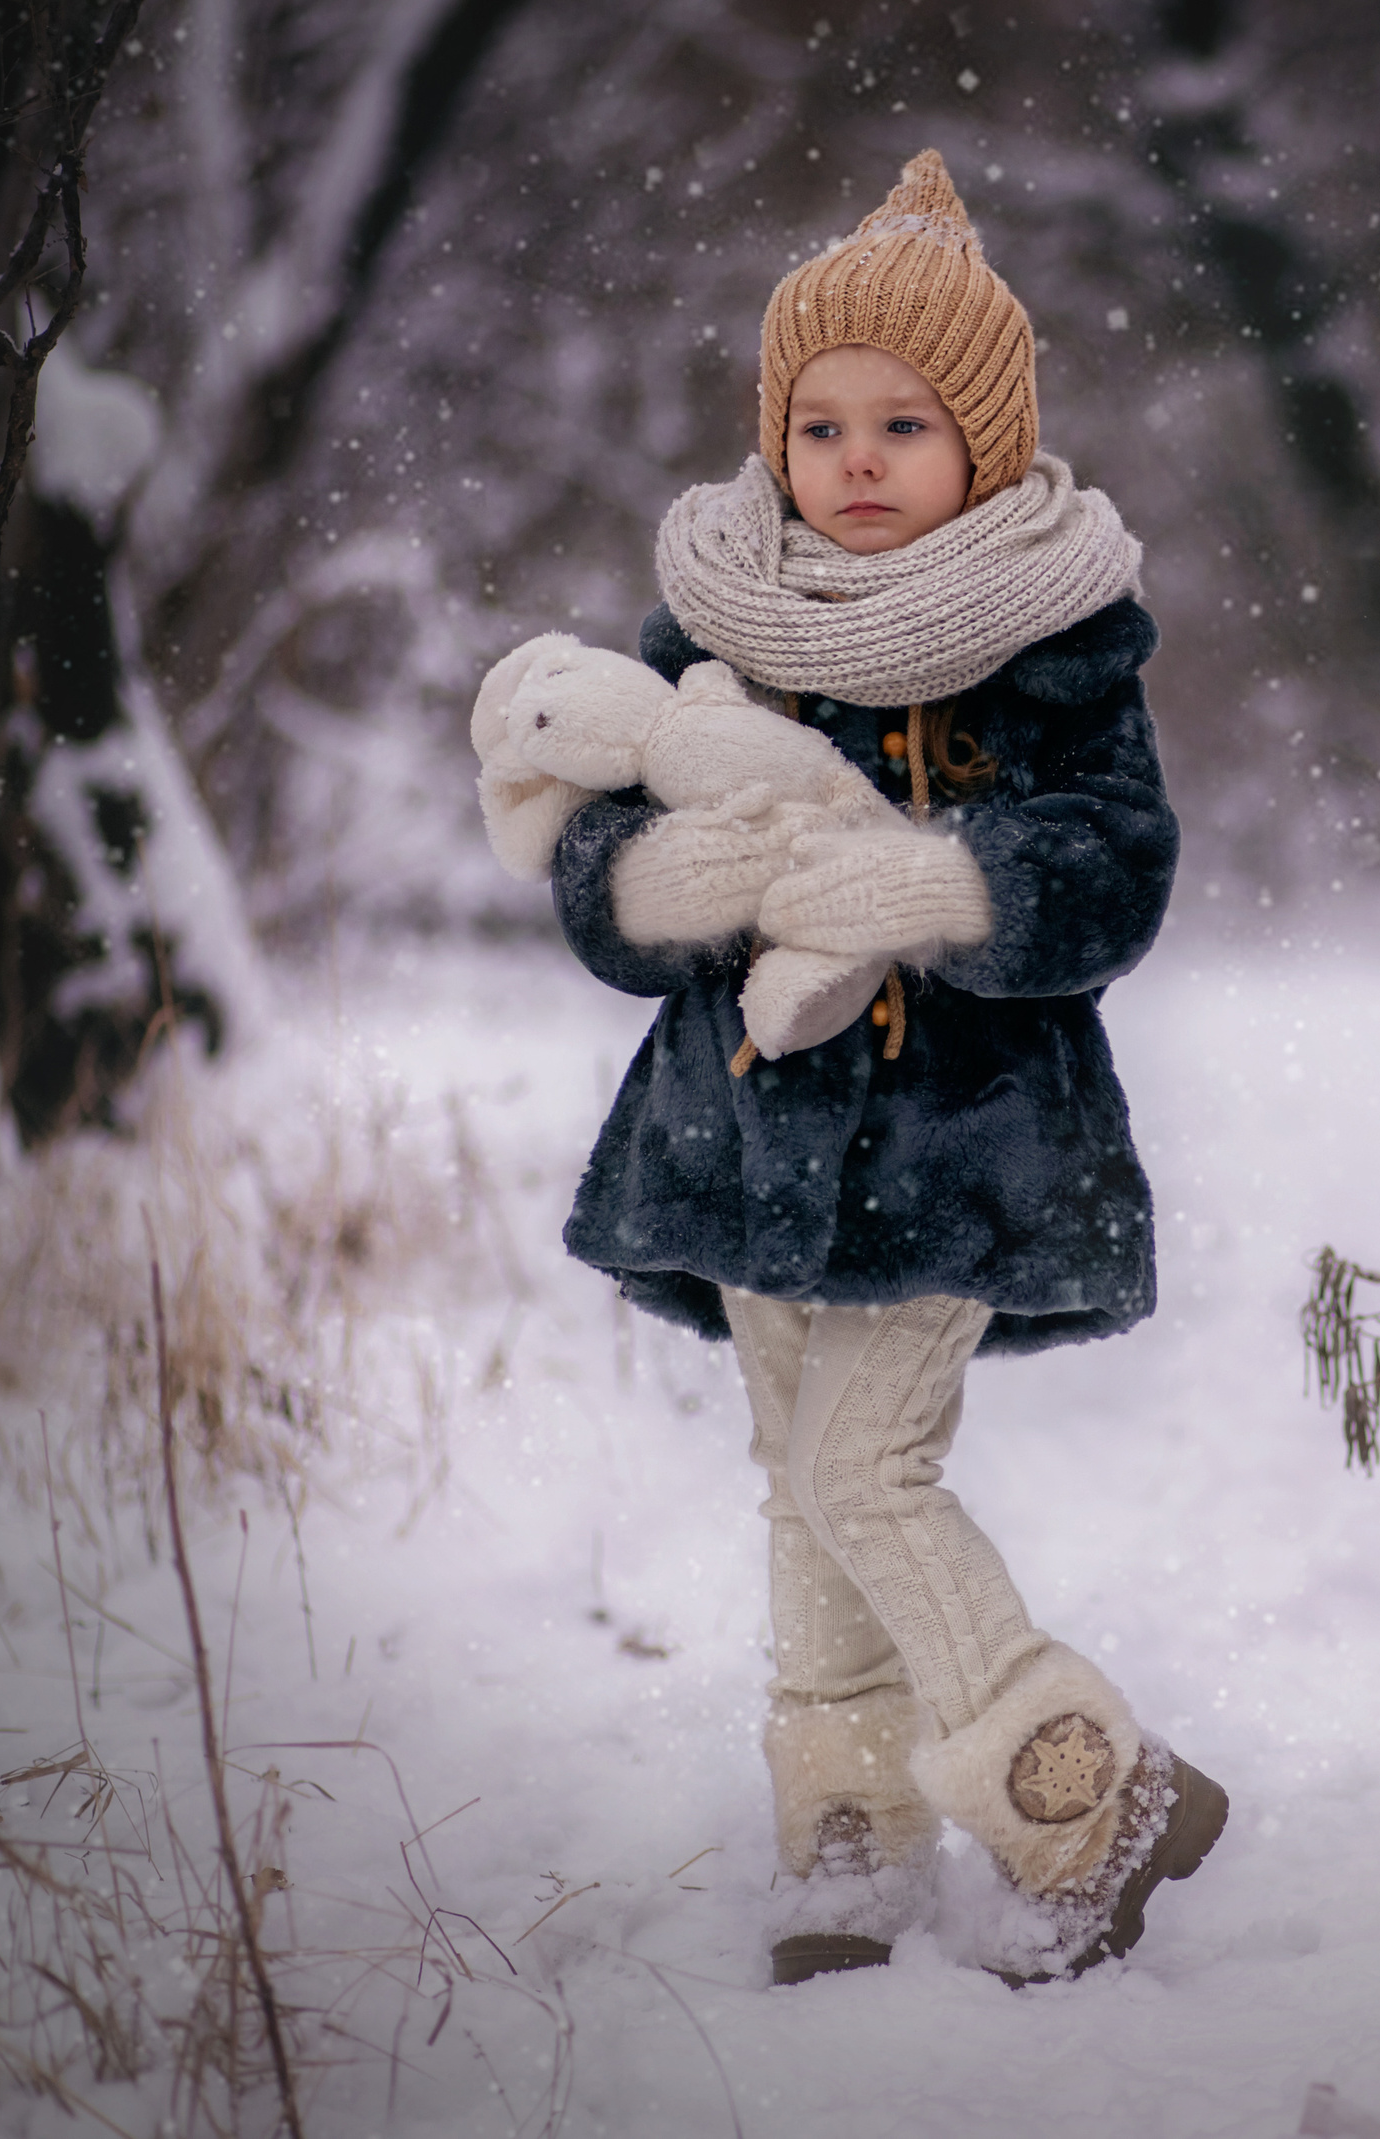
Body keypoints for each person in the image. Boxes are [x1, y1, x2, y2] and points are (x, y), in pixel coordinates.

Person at [502, 149, 1223, 1987]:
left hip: (966, 1142)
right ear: (777, 439)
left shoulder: (1053, 640)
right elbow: (595, 852)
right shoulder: (723, 624)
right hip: (744, 1130)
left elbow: (1117, 870)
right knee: (791, 1470)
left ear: (983, 443)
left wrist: (950, 876)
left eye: (905, 422)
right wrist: (650, 884)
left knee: (862, 1468)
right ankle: (848, 1827)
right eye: (820, 424)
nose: (858, 458)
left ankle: (1090, 1791)